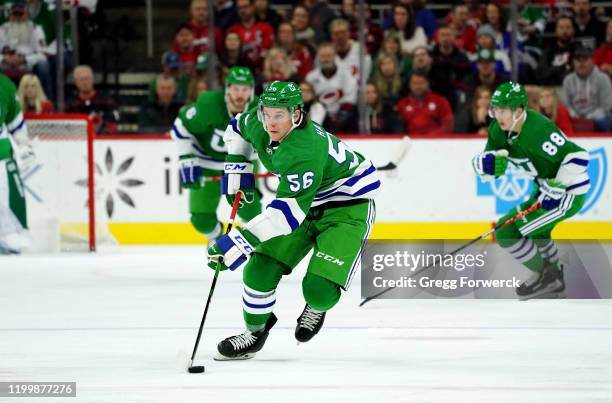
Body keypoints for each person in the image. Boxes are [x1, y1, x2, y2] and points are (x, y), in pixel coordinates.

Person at [208, 80, 379, 360]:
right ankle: (255, 332)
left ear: (296, 115)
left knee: (318, 291)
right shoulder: (259, 121)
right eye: (267, 113)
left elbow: (286, 217)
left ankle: (317, 306)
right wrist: (237, 167)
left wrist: (241, 239)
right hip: (304, 202)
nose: (271, 122)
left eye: (280, 115)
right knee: (258, 269)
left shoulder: (304, 149)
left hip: (346, 207)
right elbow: (236, 128)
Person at [472, 82, 590, 300]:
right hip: (544, 190)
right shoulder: (498, 130)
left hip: (569, 194)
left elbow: (580, 157)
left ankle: (549, 274)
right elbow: (490, 166)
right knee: (507, 231)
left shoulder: (540, 130)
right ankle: (551, 276)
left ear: (518, 110)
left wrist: (558, 187)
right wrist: (482, 165)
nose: (498, 116)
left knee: (520, 229)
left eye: (503, 110)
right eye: (495, 110)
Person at [171, 66, 262, 245]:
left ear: (251, 91)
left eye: (245, 89)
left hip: (242, 164)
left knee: (252, 214)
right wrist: (185, 156)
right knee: (201, 221)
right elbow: (181, 125)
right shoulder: (208, 104)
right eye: (236, 88)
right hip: (207, 162)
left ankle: (252, 245)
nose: (240, 95)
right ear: (227, 89)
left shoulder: (260, 110)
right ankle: (217, 237)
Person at [0, 72, 34, 254]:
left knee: (6, 204)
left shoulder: (4, 85)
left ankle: (10, 238)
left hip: (2, 157)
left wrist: (24, 146)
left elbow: (16, 125)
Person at [306, 43, 357, 133]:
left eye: (329, 55)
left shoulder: (346, 74)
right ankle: (313, 135)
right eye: (322, 56)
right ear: (318, 58)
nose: (326, 59)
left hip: (342, 114)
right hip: (320, 116)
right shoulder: (311, 77)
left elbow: (350, 98)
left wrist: (340, 115)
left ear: (334, 56)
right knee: (317, 108)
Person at [561, 46, 612, 132]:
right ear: (573, 62)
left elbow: (606, 106)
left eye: (585, 60)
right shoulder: (568, 80)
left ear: (592, 61)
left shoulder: (603, 78)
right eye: (578, 60)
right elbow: (565, 105)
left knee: (603, 119)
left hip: (598, 117)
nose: (581, 64)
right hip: (575, 116)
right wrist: (576, 116)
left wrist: (588, 117)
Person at [66, 65, 119, 134]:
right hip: (78, 140)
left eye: (87, 78)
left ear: (92, 79)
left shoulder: (106, 101)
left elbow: (113, 125)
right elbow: (67, 128)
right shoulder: (70, 104)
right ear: (76, 82)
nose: (85, 82)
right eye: (81, 79)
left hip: (102, 140)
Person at [226, 0, 274, 74]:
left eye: (245, 7)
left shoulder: (266, 28)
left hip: (261, 72)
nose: (242, 11)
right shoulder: (232, 30)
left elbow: (268, 52)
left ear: (253, 7)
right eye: (239, 8)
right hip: (239, 72)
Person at [537, 17, 576, 86]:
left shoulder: (578, 50)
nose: (565, 31)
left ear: (573, 30)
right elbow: (541, 74)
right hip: (550, 89)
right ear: (556, 30)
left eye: (568, 27)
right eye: (561, 27)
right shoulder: (548, 51)